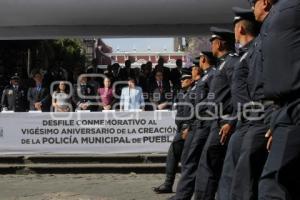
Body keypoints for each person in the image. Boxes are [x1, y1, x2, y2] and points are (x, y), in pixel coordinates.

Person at [258, 0, 300, 199]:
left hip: (293, 107)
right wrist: (276, 121)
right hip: (285, 110)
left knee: (273, 185)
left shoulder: (287, 11)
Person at [217, 7, 259, 200]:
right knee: (231, 175)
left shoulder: (253, 53)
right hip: (243, 121)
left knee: (241, 179)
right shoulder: (245, 54)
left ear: (240, 29)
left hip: (252, 121)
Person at [194, 27, 239, 200]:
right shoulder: (222, 65)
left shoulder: (232, 63)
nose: (211, 45)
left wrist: (231, 120)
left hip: (224, 121)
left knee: (210, 167)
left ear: (219, 43)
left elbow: (239, 94)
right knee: (212, 166)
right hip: (215, 121)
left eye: (213, 42)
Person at [170, 52, 216, 200]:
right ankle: (183, 194)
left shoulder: (209, 78)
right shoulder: (199, 83)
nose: (193, 69)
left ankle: (184, 195)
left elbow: (207, 104)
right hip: (195, 125)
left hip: (203, 124)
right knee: (188, 160)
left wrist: (189, 125)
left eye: (195, 67)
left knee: (193, 161)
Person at [152, 71, 194, 194]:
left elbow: (198, 111)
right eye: (181, 79)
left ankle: (183, 187)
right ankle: (168, 183)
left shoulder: (195, 93)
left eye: (185, 79)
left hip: (190, 129)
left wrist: (189, 127)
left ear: (191, 80)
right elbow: (178, 109)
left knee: (187, 158)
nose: (181, 81)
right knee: (173, 155)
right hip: (180, 129)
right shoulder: (181, 93)